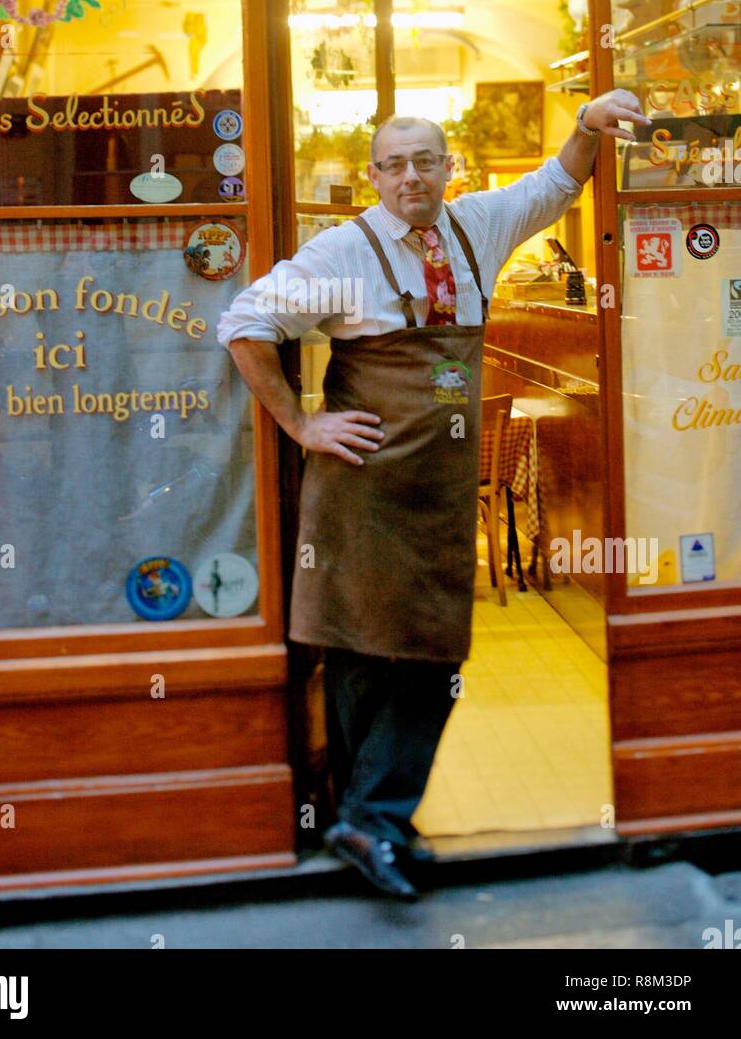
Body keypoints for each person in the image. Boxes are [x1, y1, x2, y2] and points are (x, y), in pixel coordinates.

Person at [216, 90, 649, 899]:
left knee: (431, 650)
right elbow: (243, 324)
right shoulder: (342, 254)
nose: (411, 176)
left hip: (440, 489)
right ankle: (370, 820)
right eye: (394, 164)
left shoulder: (476, 225)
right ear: (373, 178)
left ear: (448, 168)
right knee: (361, 650)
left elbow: (557, 184)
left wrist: (588, 126)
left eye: (425, 160)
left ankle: (369, 820)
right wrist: (302, 426)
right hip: (363, 488)